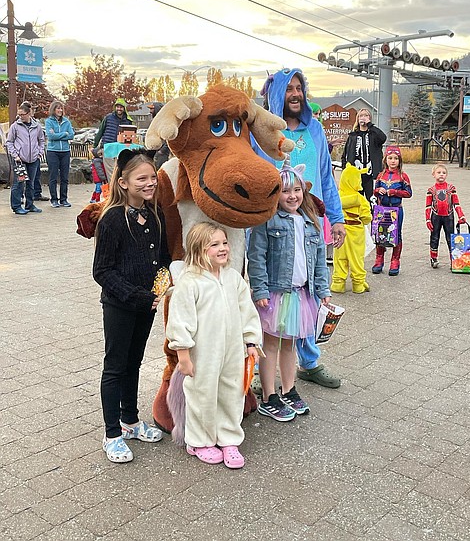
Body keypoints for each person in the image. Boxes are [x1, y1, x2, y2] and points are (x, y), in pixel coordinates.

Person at [254, 67, 344, 389]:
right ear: (277, 93)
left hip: (309, 224)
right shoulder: (260, 132)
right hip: (270, 229)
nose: (295, 94)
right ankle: (259, 371)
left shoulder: (315, 129)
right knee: (268, 300)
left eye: (299, 88)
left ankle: (309, 362)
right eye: (289, 88)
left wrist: (336, 218)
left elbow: (326, 177)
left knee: (308, 295)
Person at [93, 149, 170, 463]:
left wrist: (163, 282)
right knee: (115, 366)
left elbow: (162, 258)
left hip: (146, 306)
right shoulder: (112, 219)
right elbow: (102, 271)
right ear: (123, 182)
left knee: (134, 363)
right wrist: (136, 296)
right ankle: (112, 434)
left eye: (153, 177)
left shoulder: (154, 214)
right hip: (120, 306)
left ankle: (130, 420)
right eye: (142, 179)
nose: (150, 183)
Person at [166, 222, 262, 469]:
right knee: (202, 395)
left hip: (232, 351)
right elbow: (180, 321)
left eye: (225, 243)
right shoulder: (190, 282)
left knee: (232, 392)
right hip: (203, 354)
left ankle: (229, 438)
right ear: (198, 250)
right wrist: (183, 355)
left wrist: (251, 341)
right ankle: (199, 440)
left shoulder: (233, 278)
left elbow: (247, 311)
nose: (223, 248)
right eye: (215, 245)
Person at [248, 163, 330, 421]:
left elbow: (319, 261)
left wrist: (323, 289)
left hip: (301, 295)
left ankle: (288, 389)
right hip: (275, 294)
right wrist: (260, 289)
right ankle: (268, 396)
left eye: (297, 190)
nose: (292, 196)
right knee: (271, 344)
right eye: (285, 191)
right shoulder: (267, 221)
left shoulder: (311, 223)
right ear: (276, 194)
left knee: (290, 344)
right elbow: (256, 257)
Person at [331, 164, 373, 293]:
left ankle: (338, 283)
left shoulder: (337, 196)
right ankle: (358, 284)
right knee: (356, 258)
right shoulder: (360, 199)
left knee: (339, 258)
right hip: (356, 232)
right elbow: (367, 217)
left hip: (340, 230)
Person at [372, 146, 412, 276]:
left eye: (396, 158)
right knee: (380, 234)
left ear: (400, 160)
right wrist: (378, 191)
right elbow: (374, 191)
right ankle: (379, 259)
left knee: (396, 235)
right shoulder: (380, 175)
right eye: (390, 158)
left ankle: (395, 261)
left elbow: (408, 193)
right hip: (382, 210)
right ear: (385, 160)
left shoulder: (403, 176)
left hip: (396, 210)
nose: (393, 161)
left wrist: (395, 192)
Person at [5, 103, 45, 215]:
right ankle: (16, 206)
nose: (20, 117)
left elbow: (41, 140)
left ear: (29, 114)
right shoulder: (15, 126)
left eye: (22, 114)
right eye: (19, 114)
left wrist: (39, 153)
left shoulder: (37, 126)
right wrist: (15, 155)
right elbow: (9, 142)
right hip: (20, 160)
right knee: (19, 183)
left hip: (33, 159)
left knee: (30, 183)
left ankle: (30, 205)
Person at [425, 163, 467, 268]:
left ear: (446, 175)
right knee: (434, 237)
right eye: (438, 172)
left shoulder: (451, 188)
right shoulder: (431, 190)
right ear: (433, 174)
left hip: (449, 216)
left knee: (451, 238)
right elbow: (428, 206)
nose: (441, 174)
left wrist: (461, 215)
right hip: (436, 216)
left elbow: (456, 203)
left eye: (444, 173)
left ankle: (454, 259)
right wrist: (428, 220)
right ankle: (433, 258)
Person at [342, 108, 387, 203]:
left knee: (373, 200)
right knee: (357, 200)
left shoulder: (374, 135)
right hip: (357, 174)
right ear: (357, 119)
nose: (363, 117)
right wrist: (345, 172)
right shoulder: (353, 136)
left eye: (366, 115)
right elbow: (345, 155)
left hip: (371, 174)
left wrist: (370, 125)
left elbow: (383, 138)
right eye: (361, 116)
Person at [94, 98, 134, 179]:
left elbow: (131, 135)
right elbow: (100, 131)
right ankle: (112, 186)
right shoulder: (108, 117)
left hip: (121, 148)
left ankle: (120, 186)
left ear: (124, 108)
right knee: (111, 172)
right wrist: (95, 145)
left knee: (121, 170)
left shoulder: (128, 121)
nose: (119, 109)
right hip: (108, 147)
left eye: (121, 107)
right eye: (117, 107)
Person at [45, 100, 74, 208]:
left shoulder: (67, 121)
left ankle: (64, 199)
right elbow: (50, 136)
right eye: (58, 108)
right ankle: (54, 199)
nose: (60, 110)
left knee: (64, 177)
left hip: (65, 152)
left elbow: (71, 135)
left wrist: (58, 135)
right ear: (53, 109)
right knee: (53, 177)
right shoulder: (49, 121)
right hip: (53, 152)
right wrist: (64, 134)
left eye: (61, 108)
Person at [147, 102, 171, 169]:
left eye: (152, 109)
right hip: (156, 151)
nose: (150, 111)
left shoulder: (165, 121)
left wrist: (162, 150)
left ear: (157, 109)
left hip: (162, 153)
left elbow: (168, 137)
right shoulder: (155, 121)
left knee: (160, 169)